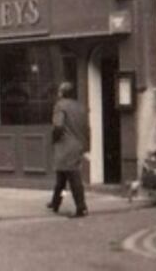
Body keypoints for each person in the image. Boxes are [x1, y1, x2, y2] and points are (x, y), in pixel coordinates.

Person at [47, 81, 90, 218]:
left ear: (62, 93)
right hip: (78, 144)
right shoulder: (80, 106)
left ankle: (81, 207)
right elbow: (86, 128)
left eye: (59, 91)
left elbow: (58, 126)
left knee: (73, 177)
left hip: (65, 145)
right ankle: (55, 202)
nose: (58, 93)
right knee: (61, 176)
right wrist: (86, 145)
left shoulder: (60, 106)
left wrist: (54, 138)